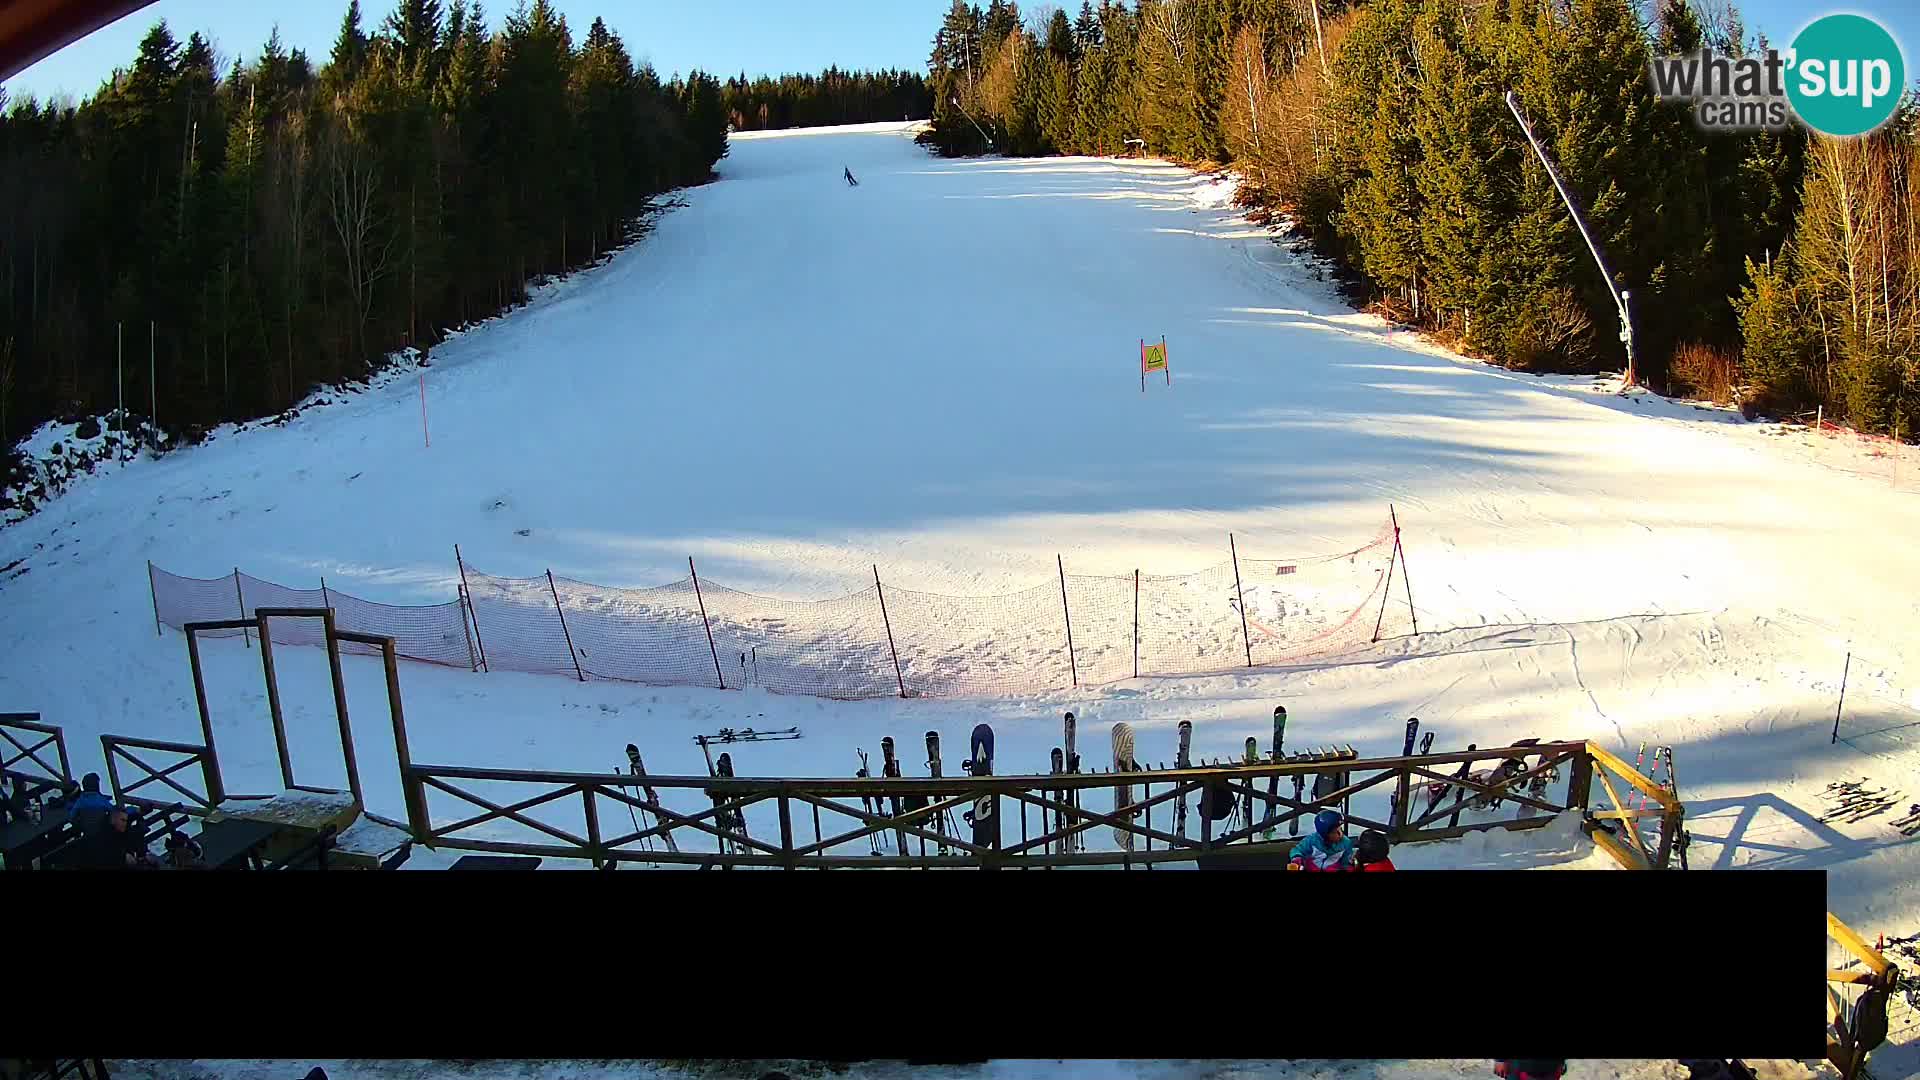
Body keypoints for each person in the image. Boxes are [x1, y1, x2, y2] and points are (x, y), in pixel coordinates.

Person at [1287, 808, 1356, 871]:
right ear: (1325, 835)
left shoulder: (1346, 843)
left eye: (1340, 829)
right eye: (1334, 832)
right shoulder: (1312, 840)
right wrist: (1297, 858)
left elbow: (1346, 863)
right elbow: (1297, 850)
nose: (1340, 834)